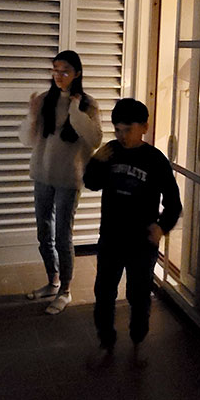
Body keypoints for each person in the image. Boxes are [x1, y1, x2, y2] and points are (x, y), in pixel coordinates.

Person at [83, 98, 181, 366]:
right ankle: (106, 341)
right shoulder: (110, 151)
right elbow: (91, 183)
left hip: (142, 241)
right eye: (117, 130)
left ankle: (138, 340)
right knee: (104, 292)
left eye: (128, 130)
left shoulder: (155, 160)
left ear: (144, 127)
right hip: (111, 237)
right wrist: (95, 162)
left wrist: (161, 226)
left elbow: (174, 203)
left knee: (138, 294)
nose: (122, 136)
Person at [19, 50, 103, 314]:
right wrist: (32, 114)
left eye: (65, 71)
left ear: (77, 74)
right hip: (43, 174)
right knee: (43, 233)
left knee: (62, 235)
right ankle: (52, 281)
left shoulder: (88, 104)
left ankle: (65, 290)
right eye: (55, 70)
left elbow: (95, 140)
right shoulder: (45, 100)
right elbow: (27, 140)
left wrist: (75, 111)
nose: (58, 75)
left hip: (69, 177)